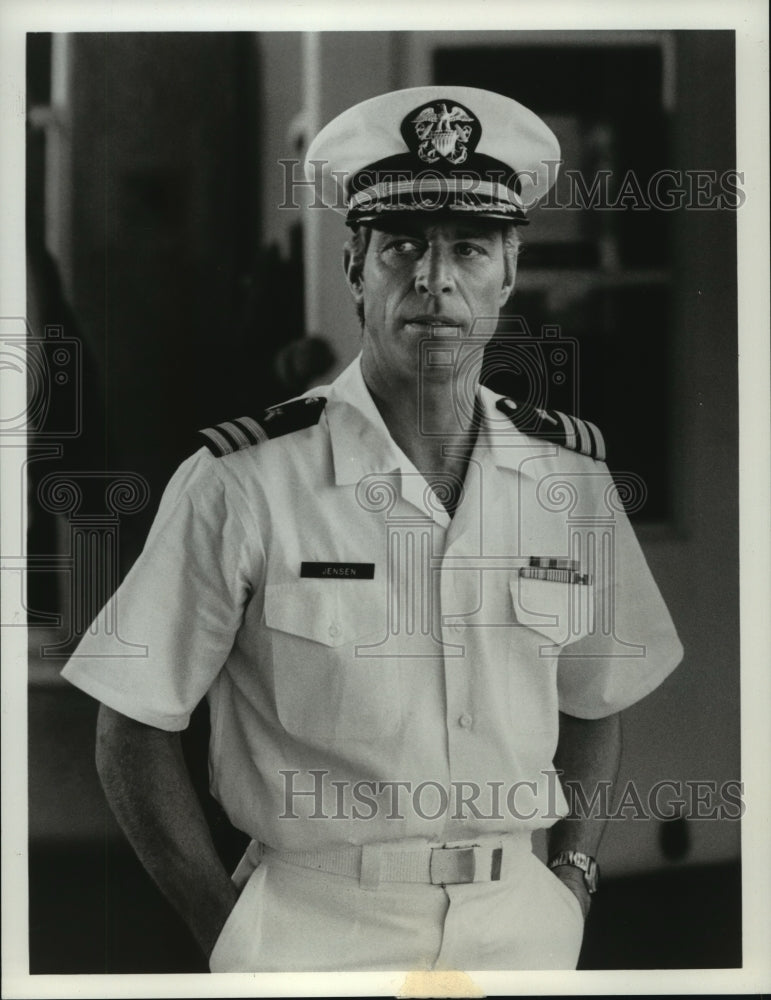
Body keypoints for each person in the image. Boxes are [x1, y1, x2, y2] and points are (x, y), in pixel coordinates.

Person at [62, 85, 683, 972]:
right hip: (313, 923)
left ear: (508, 273)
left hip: (521, 927)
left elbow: (595, 699)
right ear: (355, 270)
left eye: (468, 249)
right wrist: (221, 927)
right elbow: (131, 721)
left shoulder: (570, 482)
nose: (432, 280)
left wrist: (574, 877)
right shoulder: (243, 481)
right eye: (400, 249)